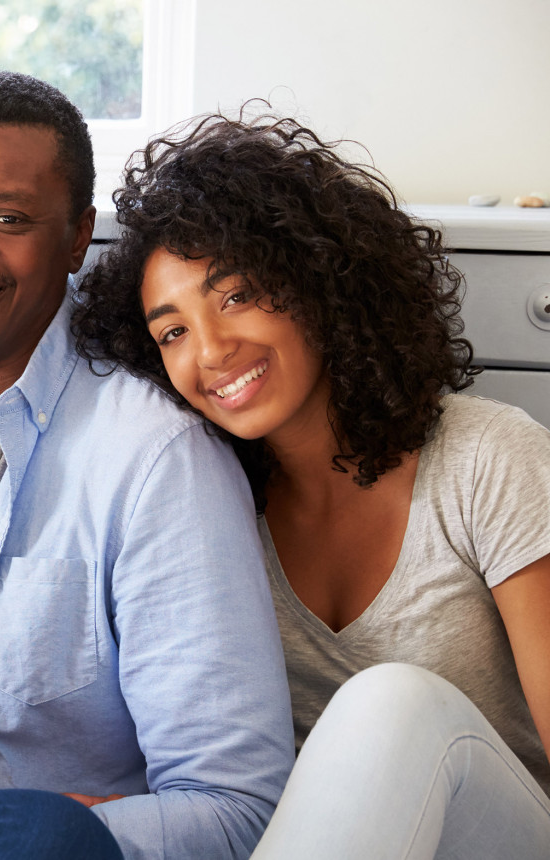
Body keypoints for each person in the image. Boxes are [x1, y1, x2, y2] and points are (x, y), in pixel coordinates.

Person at [0, 72, 295, 860]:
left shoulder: (159, 459)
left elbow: (233, 806)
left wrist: (34, 830)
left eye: (7, 218)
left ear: (76, 237)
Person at [74, 113, 550, 858]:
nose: (212, 351)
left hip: (502, 835)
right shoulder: (208, 510)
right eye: (173, 332)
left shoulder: (489, 456)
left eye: (235, 295)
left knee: (391, 702)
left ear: (321, 279)